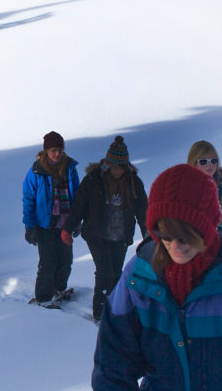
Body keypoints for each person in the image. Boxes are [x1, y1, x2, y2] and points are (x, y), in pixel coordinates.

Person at [93, 164, 222, 390]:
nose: (175, 247)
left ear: (207, 228)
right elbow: (113, 361)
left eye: (184, 237)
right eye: (165, 236)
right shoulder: (139, 278)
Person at [61, 136, 148, 321]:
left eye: (121, 167)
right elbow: (79, 207)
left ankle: (115, 311)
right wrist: (67, 229)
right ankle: (100, 314)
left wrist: (148, 235)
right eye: (114, 166)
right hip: (96, 235)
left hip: (121, 235)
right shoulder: (93, 180)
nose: (118, 171)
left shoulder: (133, 182)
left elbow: (143, 211)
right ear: (108, 164)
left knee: (116, 274)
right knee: (104, 272)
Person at [23, 131, 80, 307]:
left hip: (65, 223)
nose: (57, 154)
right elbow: (29, 199)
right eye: (53, 150)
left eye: (60, 150)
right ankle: (43, 297)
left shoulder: (70, 169)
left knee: (65, 260)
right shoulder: (36, 171)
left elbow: (78, 196)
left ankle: (58, 288)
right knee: (48, 262)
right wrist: (30, 226)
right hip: (44, 225)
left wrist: (77, 221)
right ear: (46, 150)